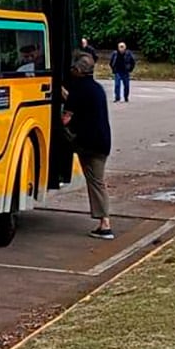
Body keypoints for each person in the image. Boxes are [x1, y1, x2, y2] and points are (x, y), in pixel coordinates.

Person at [62, 52, 114, 239]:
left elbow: (67, 118)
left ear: (77, 70)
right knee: (97, 180)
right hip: (102, 141)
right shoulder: (96, 89)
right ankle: (104, 221)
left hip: (86, 142)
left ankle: (105, 223)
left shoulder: (77, 90)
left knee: (96, 182)